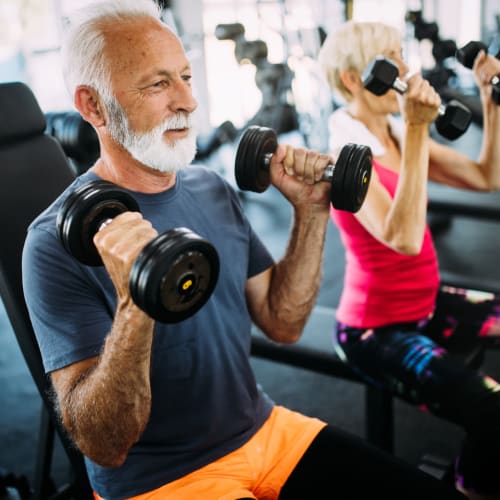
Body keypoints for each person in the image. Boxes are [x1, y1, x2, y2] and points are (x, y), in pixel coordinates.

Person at [22, 2, 466, 499]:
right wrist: (134, 305)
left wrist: (312, 212)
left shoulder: (210, 187)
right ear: (93, 106)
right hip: (161, 480)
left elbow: (283, 321)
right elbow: (105, 445)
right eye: (158, 84)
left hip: (266, 431)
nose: (188, 100)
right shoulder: (53, 244)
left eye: (186, 76)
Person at [318, 20, 500, 500]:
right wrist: (418, 129)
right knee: (493, 411)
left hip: (426, 301)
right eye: (391, 58)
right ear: (357, 78)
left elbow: (487, 176)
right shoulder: (346, 156)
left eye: (402, 55)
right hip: (375, 330)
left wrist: (490, 98)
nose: (406, 69)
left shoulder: (395, 131)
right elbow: (402, 237)